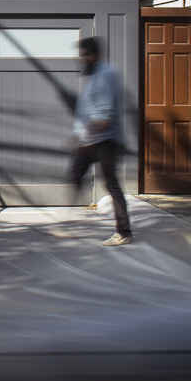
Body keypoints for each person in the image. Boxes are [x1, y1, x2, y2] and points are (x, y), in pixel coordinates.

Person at [68, 36, 133, 246]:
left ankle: (124, 232)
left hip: (106, 140)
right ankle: (72, 222)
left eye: (85, 54)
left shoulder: (106, 74)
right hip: (92, 138)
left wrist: (86, 139)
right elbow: (87, 110)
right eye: (81, 54)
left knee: (111, 183)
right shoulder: (94, 76)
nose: (82, 58)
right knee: (75, 174)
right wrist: (80, 135)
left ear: (95, 54)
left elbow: (104, 116)